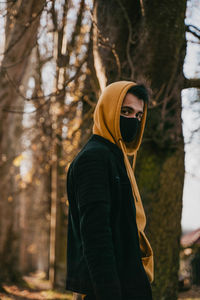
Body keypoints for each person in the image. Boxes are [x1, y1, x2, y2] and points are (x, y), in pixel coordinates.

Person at [66, 81, 154, 300]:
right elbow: (96, 236)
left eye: (138, 115)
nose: (133, 120)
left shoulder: (116, 158)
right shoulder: (94, 158)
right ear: (108, 110)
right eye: (126, 111)